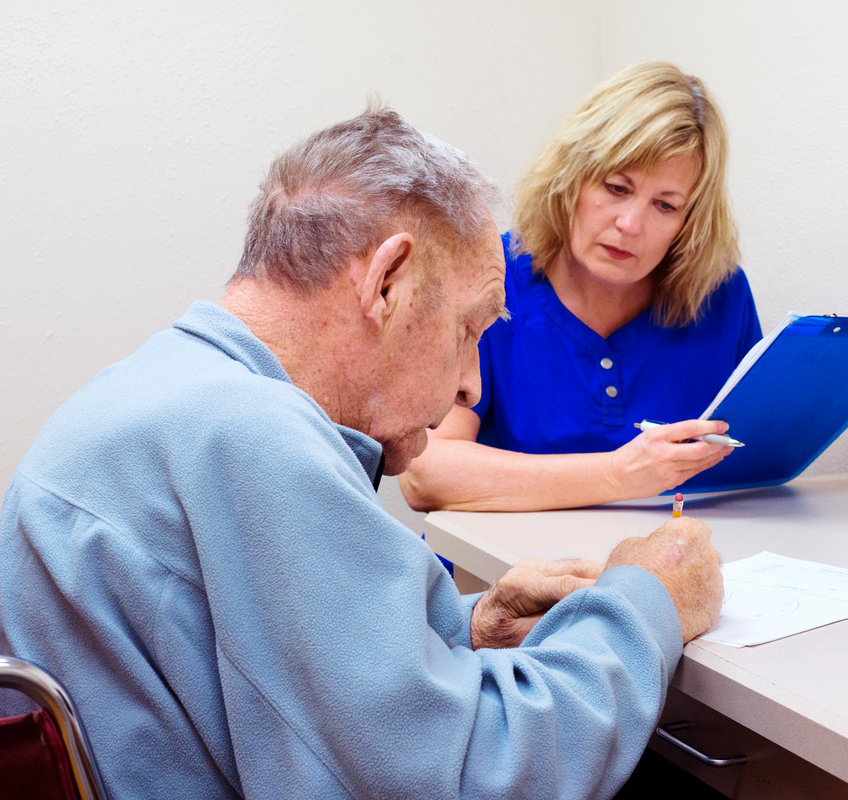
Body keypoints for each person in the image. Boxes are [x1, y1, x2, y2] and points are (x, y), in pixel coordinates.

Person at [0, 106, 723, 800]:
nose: (473, 382)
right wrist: (649, 597)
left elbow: (259, 657)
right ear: (386, 282)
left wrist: (470, 626)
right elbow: (471, 776)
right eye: (471, 328)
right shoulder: (253, 439)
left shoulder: (164, 384)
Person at [399, 62, 763, 513]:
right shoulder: (491, 280)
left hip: (662, 565)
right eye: (616, 187)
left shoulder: (721, 296)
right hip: (507, 570)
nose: (630, 225)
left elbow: (760, 467)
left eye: (665, 205)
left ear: (689, 221)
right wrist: (619, 474)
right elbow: (424, 473)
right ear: (571, 176)